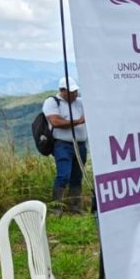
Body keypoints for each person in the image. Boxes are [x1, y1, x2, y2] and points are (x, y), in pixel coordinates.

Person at [43, 77, 88, 213]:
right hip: (63, 145)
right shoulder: (52, 102)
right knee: (64, 175)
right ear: (62, 91)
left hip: (80, 145)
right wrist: (78, 122)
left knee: (77, 176)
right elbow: (55, 121)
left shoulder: (80, 102)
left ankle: (75, 207)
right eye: (71, 92)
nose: (75, 94)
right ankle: (57, 208)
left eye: (76, 91)